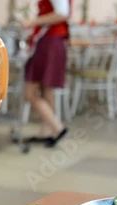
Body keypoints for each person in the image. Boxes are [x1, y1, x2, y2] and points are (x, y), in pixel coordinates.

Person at [20, 0, 71, 147]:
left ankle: (57, 127)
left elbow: (62, 13)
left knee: (30, 92)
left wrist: (32, 21)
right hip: (53, 41)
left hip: (49, 42)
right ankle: (47, 131)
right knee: (47, 89)